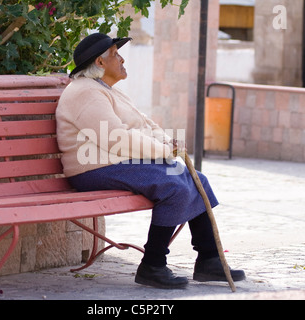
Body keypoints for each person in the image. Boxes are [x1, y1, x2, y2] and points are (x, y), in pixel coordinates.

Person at [56, 33, 245, 289]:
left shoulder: (108, 91)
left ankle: (209, 260)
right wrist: (163, 151)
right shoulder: (85, 93)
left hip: (117, 163)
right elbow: (116, 138)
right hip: (92, 169)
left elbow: (145, 125)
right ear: (100, 62)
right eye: (115, 54)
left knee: (196, 179)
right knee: (173, 186)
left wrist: (169, 143)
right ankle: (152, 265)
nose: (122, 59)